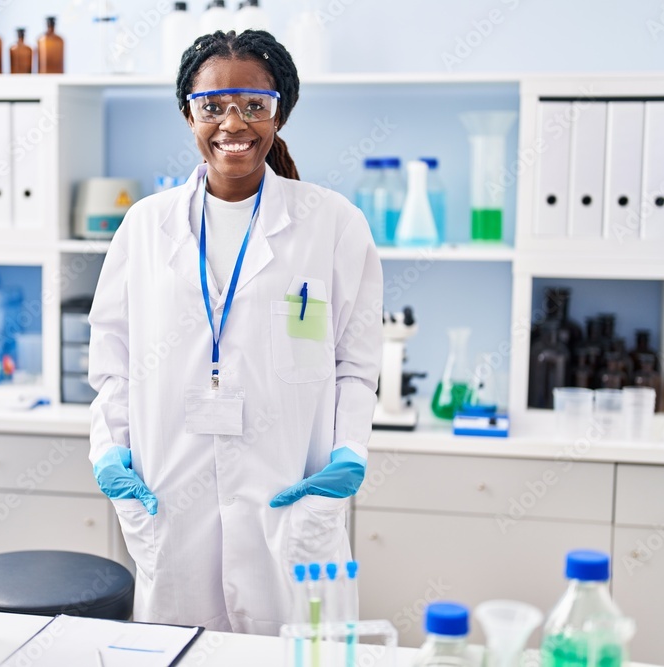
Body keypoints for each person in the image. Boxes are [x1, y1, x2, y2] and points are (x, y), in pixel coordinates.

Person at [87, 29, 382, 635]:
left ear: (280, 111)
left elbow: (356, 364)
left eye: (254, 104)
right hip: (172, 495)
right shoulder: (146, 227)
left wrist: (349, 450)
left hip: (289, 495)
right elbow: (113, 364)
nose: (233, 123)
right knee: (180, 647)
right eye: (213, 106)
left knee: (294, 646)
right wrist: (109, 450)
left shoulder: (332, 224)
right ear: (187, 113)